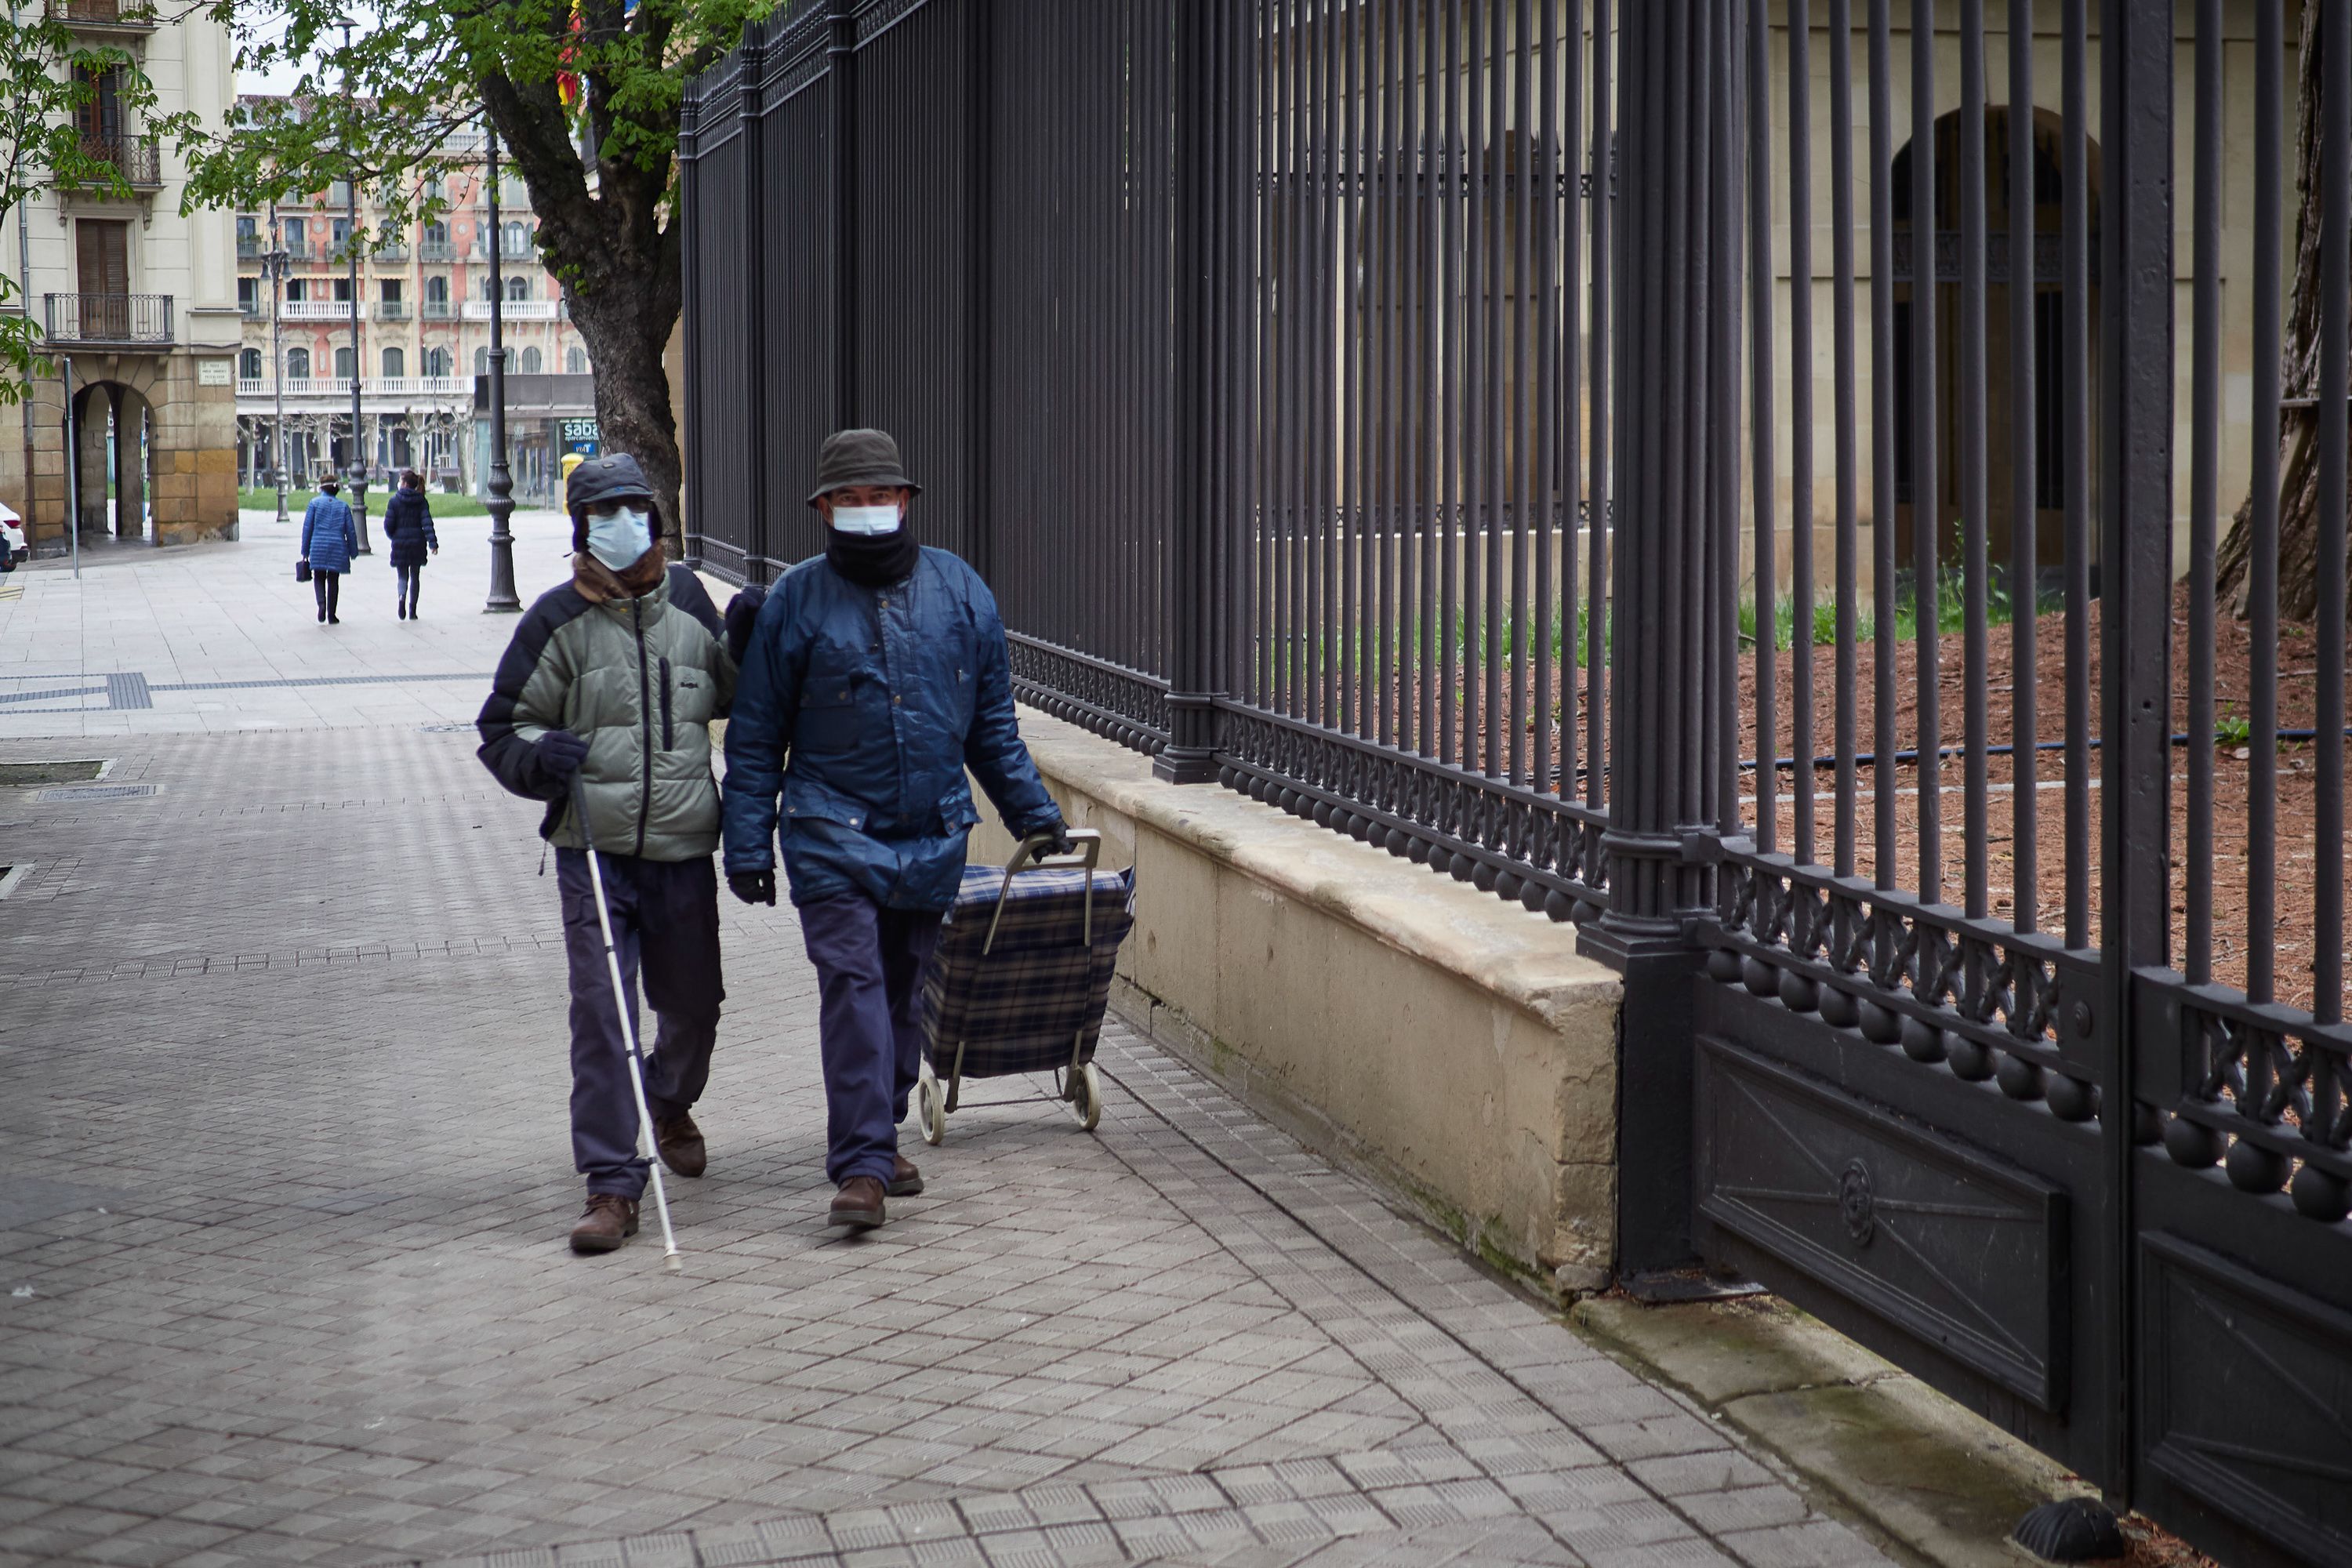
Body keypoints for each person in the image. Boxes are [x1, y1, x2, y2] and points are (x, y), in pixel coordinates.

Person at [723, 428, 1069, 1232]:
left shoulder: (960, 592)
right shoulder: (795, 604)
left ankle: (878, 1133)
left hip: (931, 832)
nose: (868, 509)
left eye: (881, 495)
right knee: (854, 985)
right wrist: (747, 844)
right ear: (823, 510)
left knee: (906, 990)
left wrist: (1035, 812)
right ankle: (862, 1165)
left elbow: (990, 726)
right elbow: (755, 732)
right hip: (828, 829)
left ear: (906, 500)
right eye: (850, 498)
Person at [475, 452, 768, 1254]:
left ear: (655, 519)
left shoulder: (686, 603)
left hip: (680, 848)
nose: (620, 524)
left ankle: (668, 1099)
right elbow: (502, 728)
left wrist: (744, 643)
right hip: (593, 853)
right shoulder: (553, 620)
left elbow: (736, 698)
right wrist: (541, 758)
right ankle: (611, 1180)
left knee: (694, 1007)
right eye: (603, 513)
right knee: (603, 1016)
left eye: (633, 509)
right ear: (581, 528)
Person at [381, 469, 439, 619]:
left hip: (400, 543)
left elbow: (388, 524)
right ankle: (412, 610)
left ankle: (401, 599)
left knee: (402, 576)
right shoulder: (421, 501)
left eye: (401, 481)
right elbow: (427, 523)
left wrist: (394, 536)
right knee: (415, 576)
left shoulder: (394, 501)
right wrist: (433, 543)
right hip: (417, 543)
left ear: (405, 483)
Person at [299, 478, 358, 624]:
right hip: (337, 546)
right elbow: (350, 531)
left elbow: (307, 529)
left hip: (318, 545)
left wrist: (305, 551)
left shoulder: (314, 504)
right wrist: (353, 551)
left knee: (318, 576)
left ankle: (321, 605)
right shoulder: (343, 507)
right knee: (333, 579)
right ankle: (332, 614)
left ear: (322, 489)